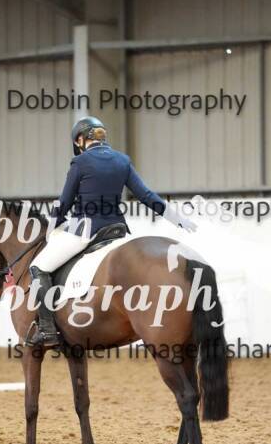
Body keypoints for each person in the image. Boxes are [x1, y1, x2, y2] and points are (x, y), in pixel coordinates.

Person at [28, 116, 197, 347]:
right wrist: (176, 218)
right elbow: (146, 195)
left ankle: (47, 330)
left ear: (79, 140)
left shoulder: (80, 163)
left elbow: (64, 202)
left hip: (85, 232)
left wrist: (51, 227)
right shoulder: (122, 160)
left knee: (38, 267)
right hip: (117, 231)